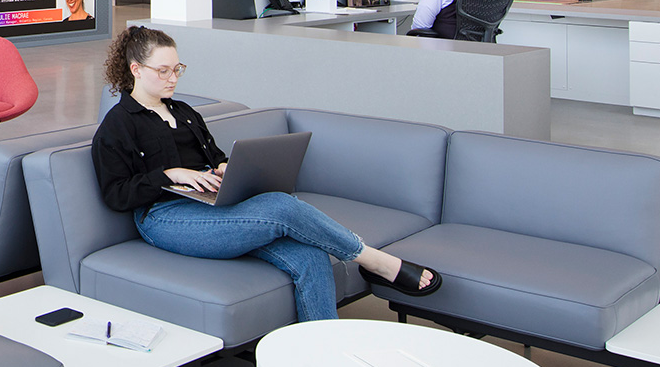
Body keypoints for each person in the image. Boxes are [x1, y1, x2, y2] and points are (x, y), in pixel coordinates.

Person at [92, 25, 440, 322]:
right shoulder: (118, 125)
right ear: (136, 69)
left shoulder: (184, 112)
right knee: (280, 206)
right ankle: (376, 262)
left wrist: (226, 167)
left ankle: (323, 354)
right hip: (166, 218)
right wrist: (171, 174)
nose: (173, 78)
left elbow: (213, 155)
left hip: (213, 205)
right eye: (163, 71)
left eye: (177, 69)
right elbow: (117, 194)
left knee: (311, 255)